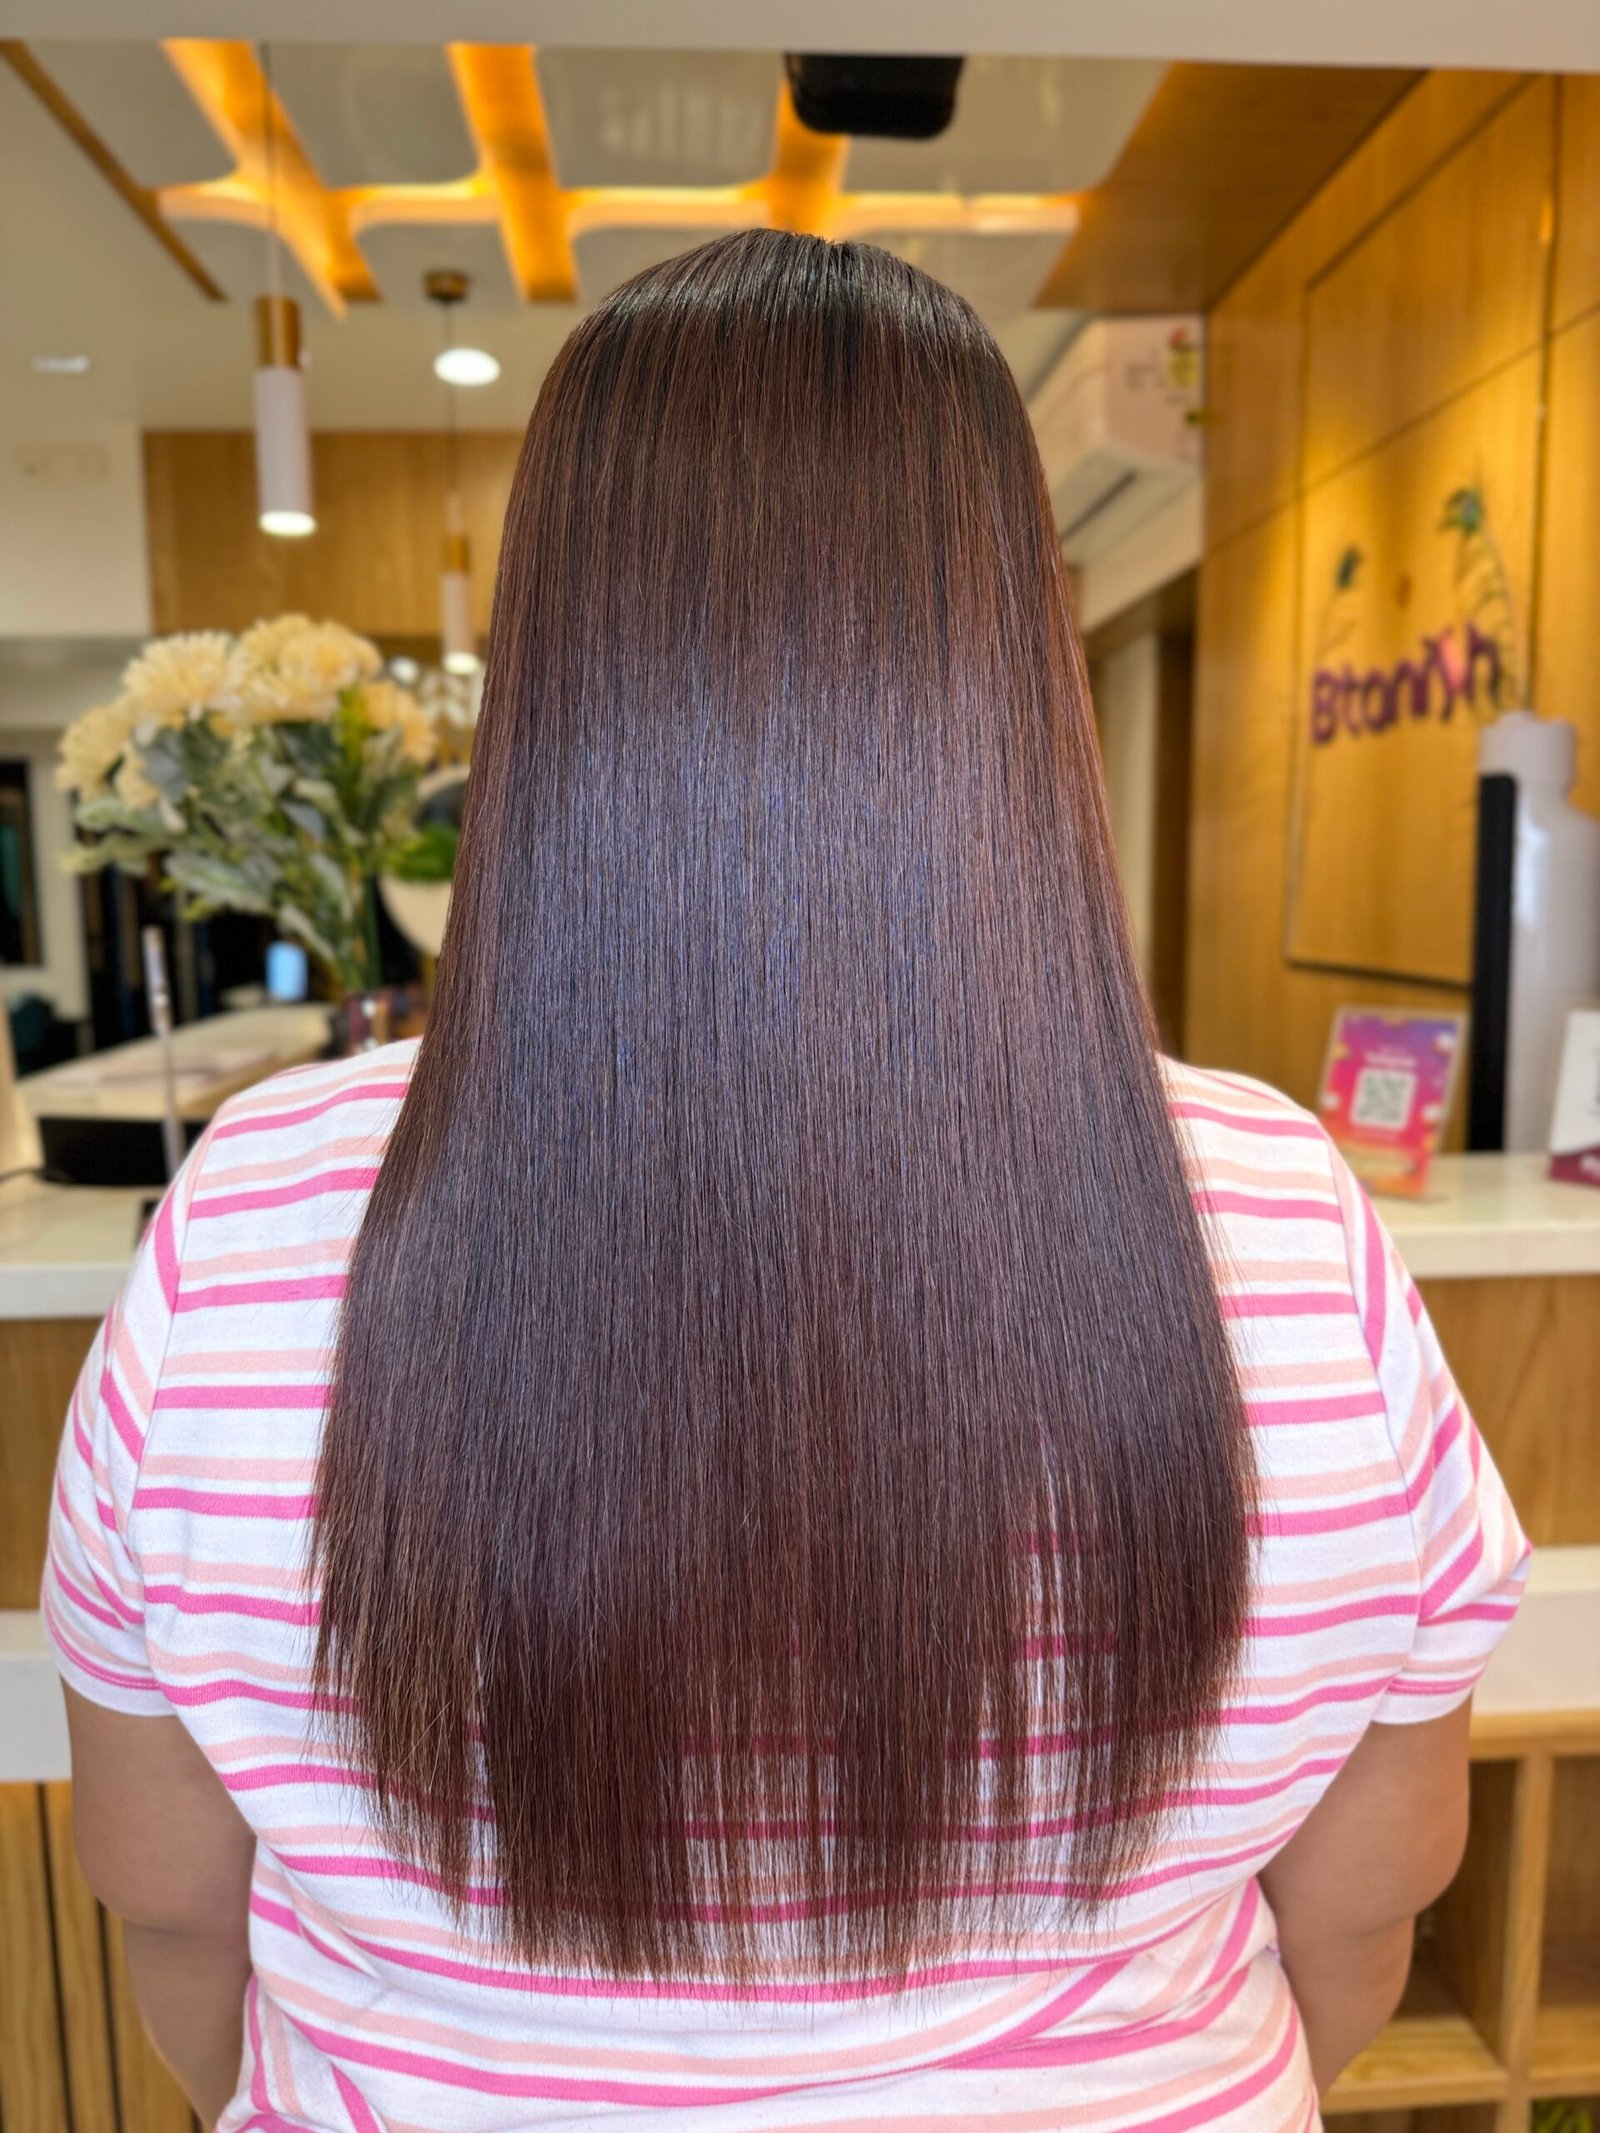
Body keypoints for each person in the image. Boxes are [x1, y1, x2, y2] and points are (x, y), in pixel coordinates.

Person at [46, 230, 1526, 2133]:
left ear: (552, 663)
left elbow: (176, 1918)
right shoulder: (1286, 1219)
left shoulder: (248, 1222)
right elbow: (1364, 1918)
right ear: (1018, 660)